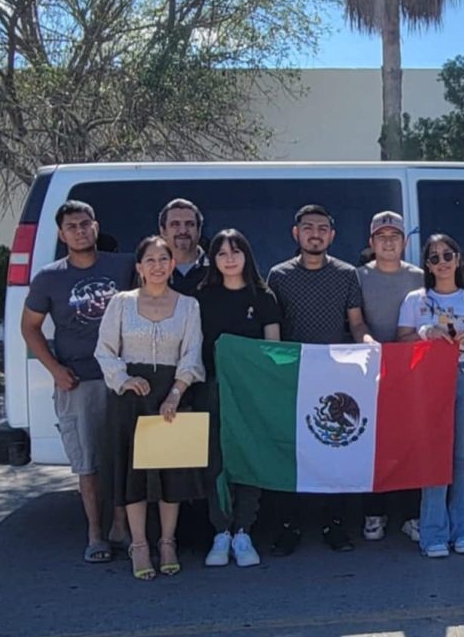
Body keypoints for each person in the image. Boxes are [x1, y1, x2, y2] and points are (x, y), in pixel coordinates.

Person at [20, 200, 135, 564]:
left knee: (123, 459)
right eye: (72, 226)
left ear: (96, 227)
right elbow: (30, 327)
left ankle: (121, 527)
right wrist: (54, 368)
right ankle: (95, 533)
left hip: (123, 380)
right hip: (78, 381)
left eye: (86, 224)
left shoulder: (123, 266)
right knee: (87, 462)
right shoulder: (49, 278)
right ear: (61, 233)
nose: (81, 231)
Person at [95, 236, 206, 580]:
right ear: (140, 267)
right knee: (134, 473)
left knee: (171, 471)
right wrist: (123, 378)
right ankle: (139, 544)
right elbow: (105, 350)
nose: (157, 266)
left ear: (173, 265)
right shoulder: (121, 303)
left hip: (170, 394)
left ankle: (168, 542)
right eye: (151, 260)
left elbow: (191, 354)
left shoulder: (189, 306)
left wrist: (175, 392)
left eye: (164, 259)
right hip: (131, 397)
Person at [265, 204, 372, 555]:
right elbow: (273, 329)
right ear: (296, 234)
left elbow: (355, 322)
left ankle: (334, 525)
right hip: (294, 376)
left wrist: (369, 345)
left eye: (322, 228)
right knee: (292, 452)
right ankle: (288, 526)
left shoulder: (346, 275)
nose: (315, 233)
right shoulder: (278, 276)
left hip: (335, 376)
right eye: (308, 227)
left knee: (334, 450)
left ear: (332, 235)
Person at [397, 234, 464, 557]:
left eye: (448, 255)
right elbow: (401, 340)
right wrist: (425, 333)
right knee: (433, 457)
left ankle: (463, 530)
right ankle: (433, 534)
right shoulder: (415, 299)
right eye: (434, 257)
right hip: (429, 381)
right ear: (427, 264)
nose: (442, 262)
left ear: (458, 258)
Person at [195, 229, 282, 567]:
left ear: (247, 255)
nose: (229, 259)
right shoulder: (202, 298)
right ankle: (221, 531)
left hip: (251, 394)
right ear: (213, 260)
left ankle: (244, 529)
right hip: (212, 390)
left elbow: (272, 347)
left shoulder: (264, 297)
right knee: (215, 461)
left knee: (249, 458)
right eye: (221, 253)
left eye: (236, 251)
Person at [356, 211, 424, 542]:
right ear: (371, 242)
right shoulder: (357, 277)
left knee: (410, 443)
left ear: (404, 242)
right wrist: (369, 343)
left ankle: (411, 514)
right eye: (381, 236)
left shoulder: (419, 277)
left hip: (411, 371)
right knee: (373, 443)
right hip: (370, 370)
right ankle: (374, 512)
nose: (388, 242)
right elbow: (355, 321)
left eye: (394, 236)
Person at [159, 198, 209, 295]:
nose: (183, 231)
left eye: (190, 224)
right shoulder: (150, 271)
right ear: (163, 231)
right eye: (175, 224)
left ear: (199, 231)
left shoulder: (217, 269)